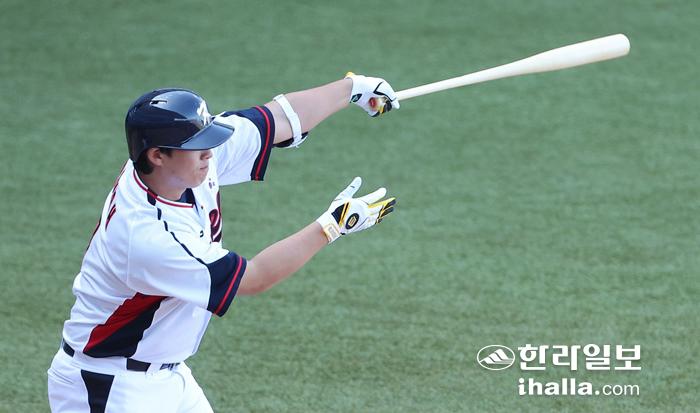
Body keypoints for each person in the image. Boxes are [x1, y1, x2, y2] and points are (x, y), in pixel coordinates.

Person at [47, 74, 399, 412]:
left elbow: (278, 119)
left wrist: (352, 88)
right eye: (197, 146)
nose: (210, 153)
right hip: (108, 387)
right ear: (157, 155)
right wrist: (331, 226)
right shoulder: (147, 236)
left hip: (166, 376)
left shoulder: (178, 167)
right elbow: (253, 278)